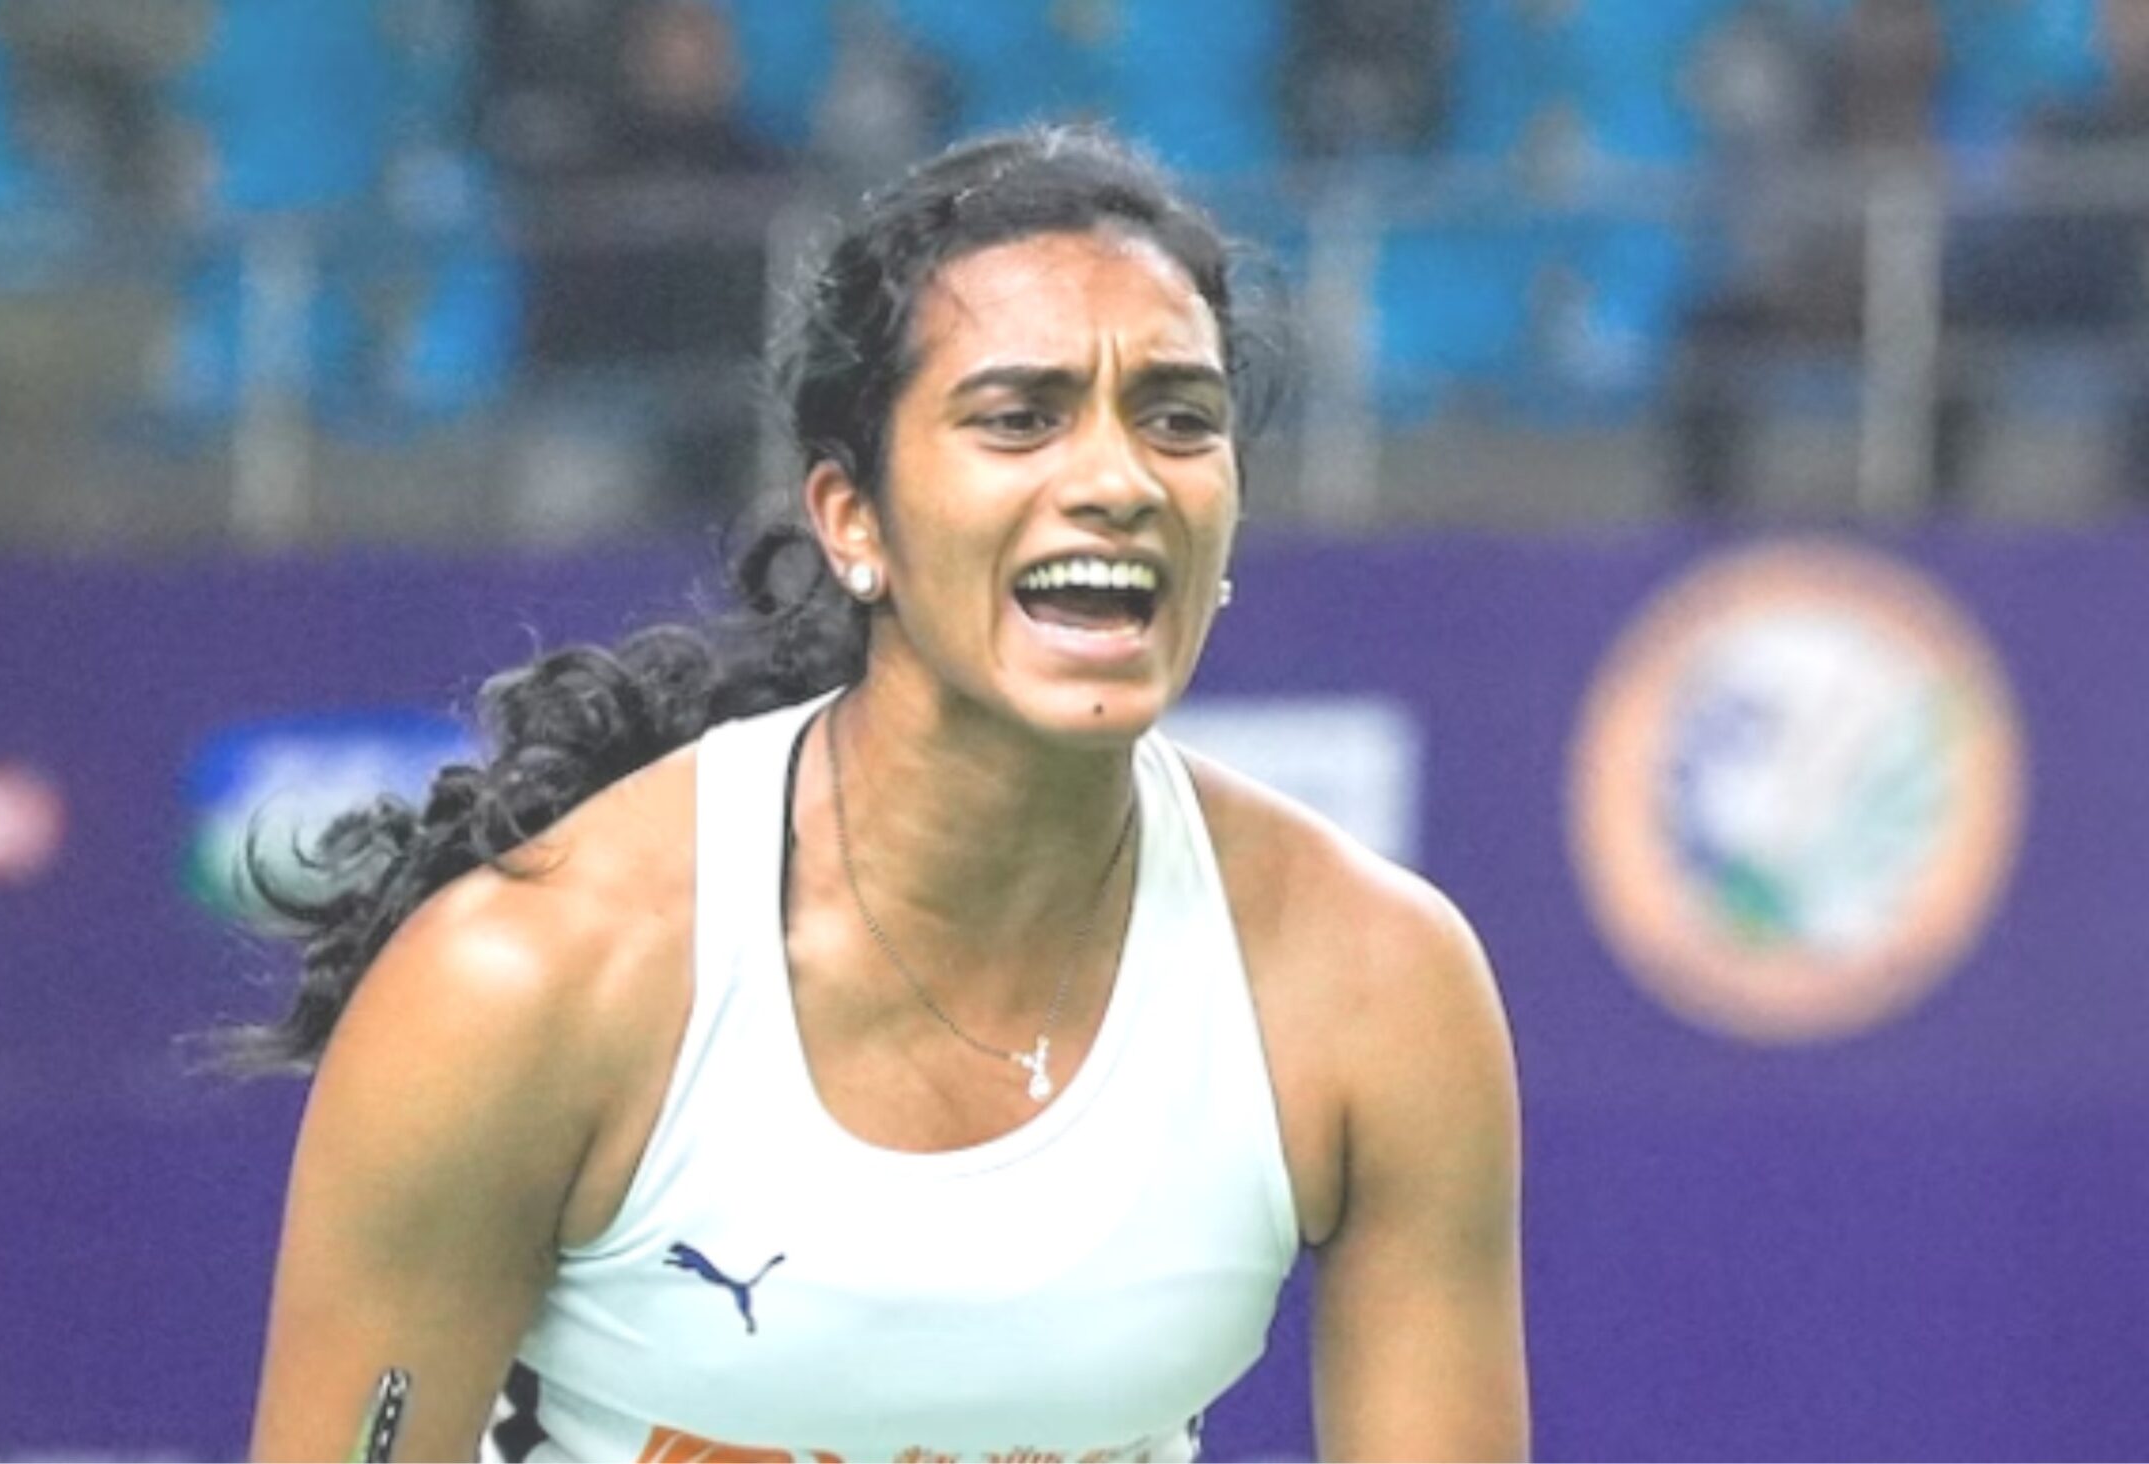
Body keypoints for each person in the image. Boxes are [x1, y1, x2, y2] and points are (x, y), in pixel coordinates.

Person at [232, 126, 1527, 1463]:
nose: (1118, 480)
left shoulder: (1378, 983)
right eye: (1019, 418)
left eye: (1179, 419)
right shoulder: (523, 984)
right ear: (853, 520)